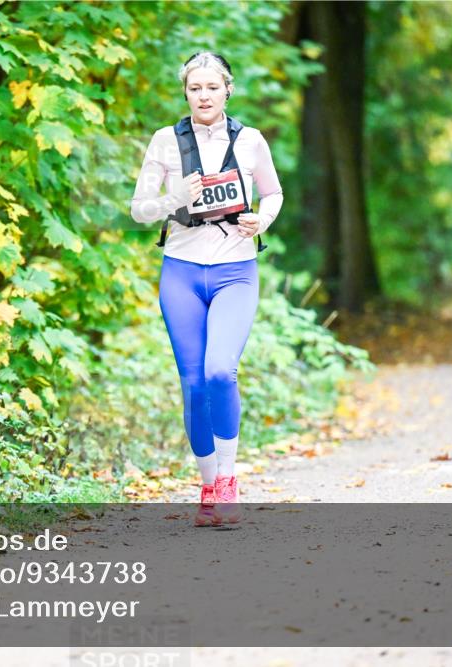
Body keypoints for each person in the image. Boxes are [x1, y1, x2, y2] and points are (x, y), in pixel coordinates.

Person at [130, 52, 283, 527]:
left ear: (227, 90)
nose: (203, 96)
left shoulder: (252, 140)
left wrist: (264, 219)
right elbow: (139, 209)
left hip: (235, 270)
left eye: (212, 88)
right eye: (195, 88)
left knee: (220, 371)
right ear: (185, 92)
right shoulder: (165, 141)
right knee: (194, 384)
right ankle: (207, 485)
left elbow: (273, 193)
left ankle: (229, 478)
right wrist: (179, 197)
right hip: (180, 271)